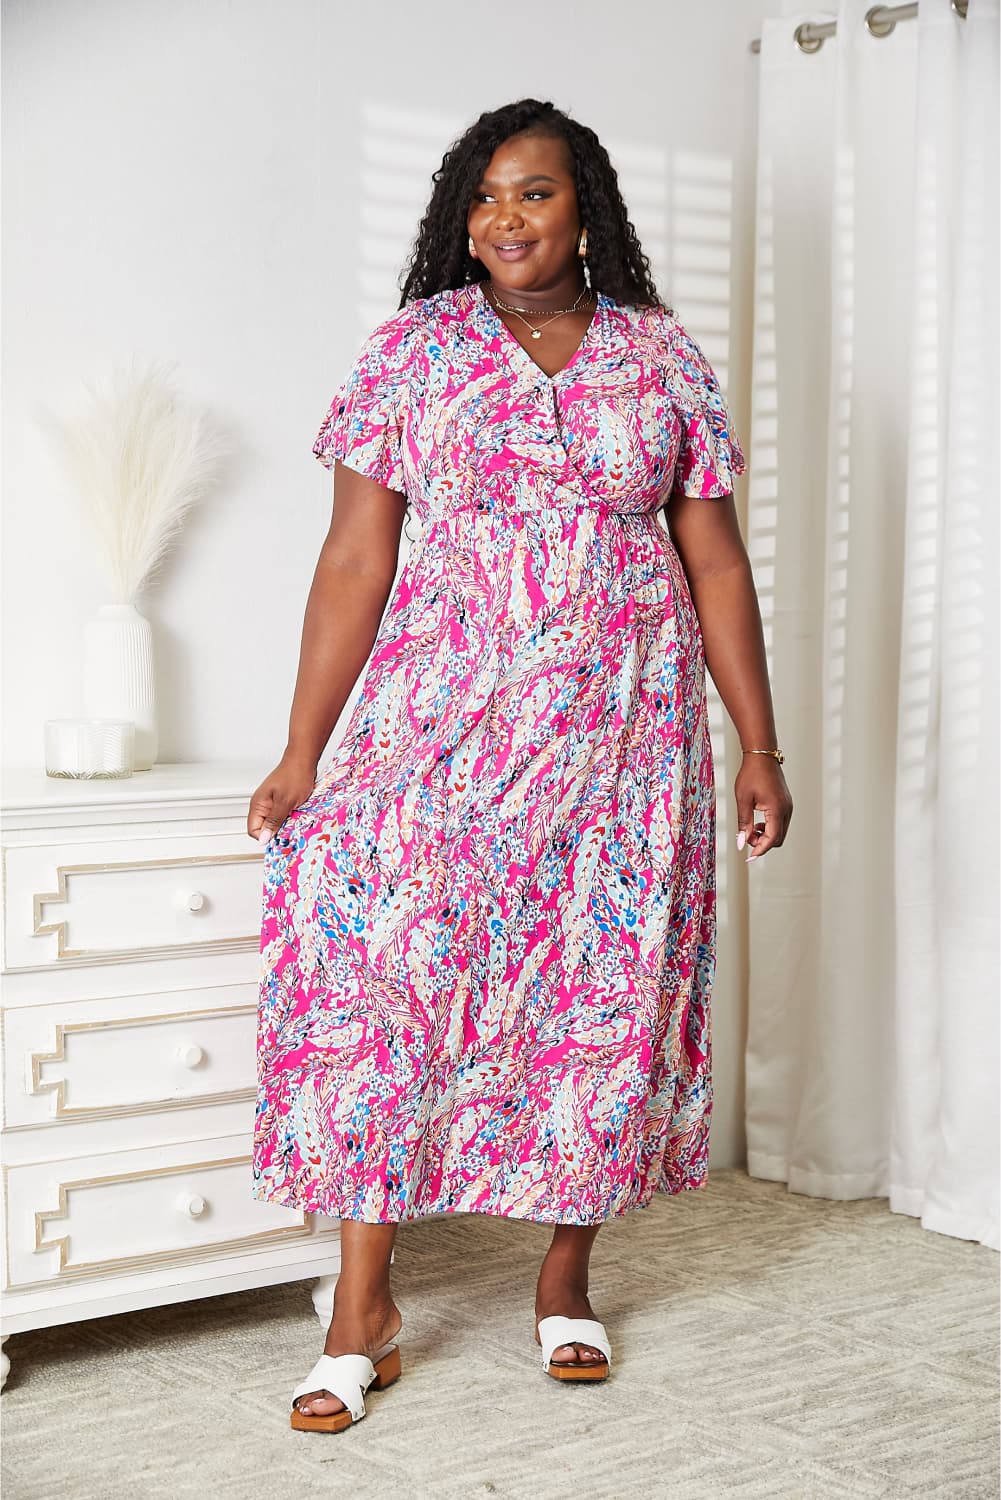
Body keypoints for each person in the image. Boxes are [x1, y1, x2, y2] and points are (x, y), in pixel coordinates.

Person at [247, 97, 793, 1434]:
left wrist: (758, 744)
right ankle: (359, 1309)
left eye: (535, 194)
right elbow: (352, 560)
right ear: (458, 214)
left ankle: (564, 1281)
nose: (506, 218)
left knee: (598, 987)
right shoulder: (412, 354)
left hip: (621, 727)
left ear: (586, 209)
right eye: (486, 196)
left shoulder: (658, 356)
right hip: (440, 720)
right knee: (387, 983)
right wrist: (303, 751)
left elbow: (712, 561)